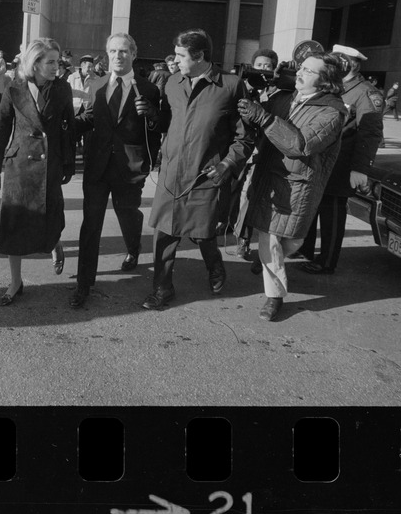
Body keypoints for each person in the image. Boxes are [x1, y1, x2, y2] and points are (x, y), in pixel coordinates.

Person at [142, 29, 254, 310]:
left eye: (181, 55)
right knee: (164, 234)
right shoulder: (171, 83)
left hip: (207, 174)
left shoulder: (230, 85)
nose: (175, 61)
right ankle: (162, 288)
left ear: (200, 56)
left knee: (203, 233)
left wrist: (228, 163)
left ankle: (215, 266)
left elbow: (245, 137)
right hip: (171, 174)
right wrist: (152, 116)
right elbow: (165, 123)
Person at [237, 54, 347, 320]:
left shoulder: (332, 112)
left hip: (298, 186)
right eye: (300, 68)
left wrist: (264, 119)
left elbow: (301, 145)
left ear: (325, 82)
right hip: (270, 180)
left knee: (293, 240)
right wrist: (252, 91)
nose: (299, 74)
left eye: (308, 71)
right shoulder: (285, 97)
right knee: (271, 238)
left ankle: (267, 259)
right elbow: (255, 113)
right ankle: (274, 297)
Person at [70, 34, 165, 309]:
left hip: (129, 167)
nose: (118, 56)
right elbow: (91, 116)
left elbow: (155, 131)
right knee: (91, 225)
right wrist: (65, 127)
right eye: (113, 51)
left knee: (128, 214)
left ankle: (133, 248)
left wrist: (152, 116)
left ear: (134, 54)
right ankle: (84, 284)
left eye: (123, 51)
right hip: (97, 166)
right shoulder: (97, 84)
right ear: (107, 54)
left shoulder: (148, 89)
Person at [0, 38, 75, 305]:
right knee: (14, 225)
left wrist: (69, 164)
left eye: (58, 62)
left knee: (50, 217)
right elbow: (2, 129)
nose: (56, 67)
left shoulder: (62, 88)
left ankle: (54, 242)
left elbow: (68, 128)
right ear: (35, 63)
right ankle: (15, 282)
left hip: (50, 164)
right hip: (19, 166)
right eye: (50, 62)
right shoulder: (14, 87)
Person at [294, 44, 384, 274]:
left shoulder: (365, 92)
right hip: (321, 160)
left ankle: (327, 260)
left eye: (338, 61)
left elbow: (370, 133)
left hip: (342, 164)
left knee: (332, 211)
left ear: (350, 64)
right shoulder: (334, 86)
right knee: (311, 204)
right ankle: (304, 248)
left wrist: (360, 169)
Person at [232, 48, 284, 268]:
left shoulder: (279, 93)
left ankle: (256, 245)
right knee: (241, 195)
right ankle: (238, 235)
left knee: (261, 200)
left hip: (269, 154)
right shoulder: (245, 88)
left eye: (268, 67)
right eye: (259, 66)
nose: (263, 71)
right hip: (248, 152)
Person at [67, 55, 96, 153]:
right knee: (72, 137)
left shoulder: (96, 78)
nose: (90, 69)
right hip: (75, 109)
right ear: (82, 66)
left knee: (88, 139)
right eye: (88, 66)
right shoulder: (72, 77)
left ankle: (86, 159)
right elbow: (68, 93)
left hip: (88, 110)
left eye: (92, 66)